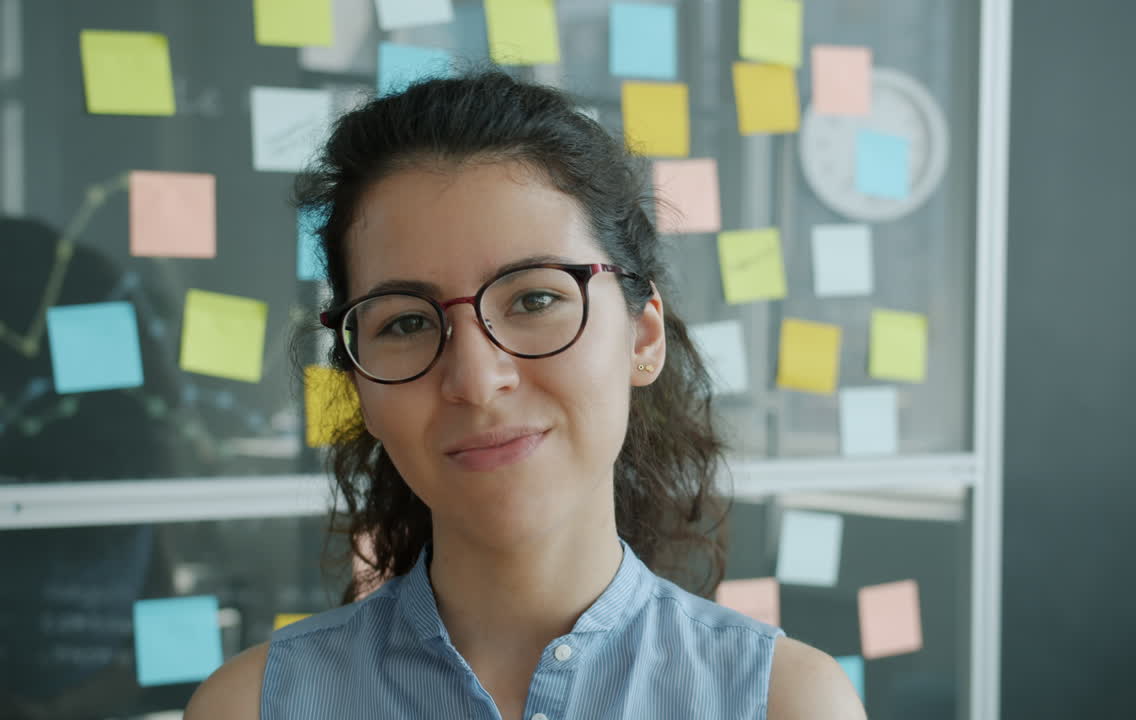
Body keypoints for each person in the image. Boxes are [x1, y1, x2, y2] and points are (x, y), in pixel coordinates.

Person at [186, 70, 865, 720]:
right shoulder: (250, 708)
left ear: (643, 335)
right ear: (358, 385)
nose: (476, 381)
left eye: (535, 299)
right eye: (407, 323)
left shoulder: (784, 703)